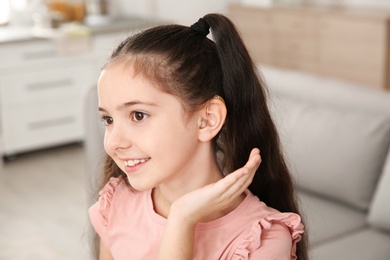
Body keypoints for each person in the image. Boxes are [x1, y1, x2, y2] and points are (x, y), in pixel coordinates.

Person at [89, 13, 308, 260]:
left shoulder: (262, 242)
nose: (114, 142)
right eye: (108, 119)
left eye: (138, 115)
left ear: (207, 120)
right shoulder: (118, 201)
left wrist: (182, 220)